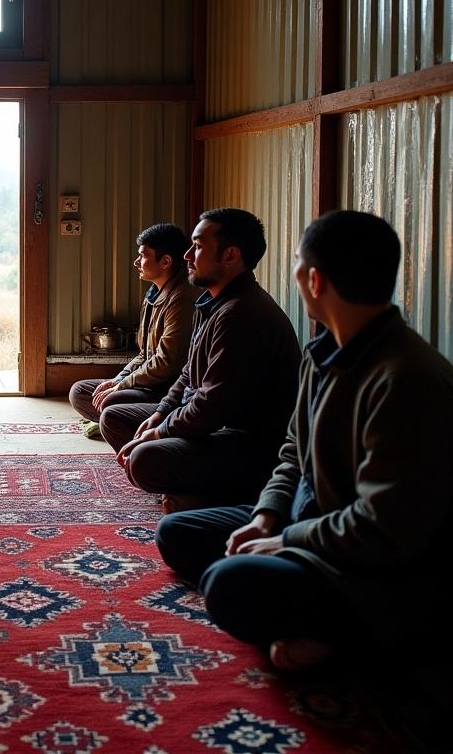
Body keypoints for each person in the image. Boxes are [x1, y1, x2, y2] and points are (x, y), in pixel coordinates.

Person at [155, 210, 453, 670]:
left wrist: (286, 539)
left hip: (364, 563)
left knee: (225, 582)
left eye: (296, 264)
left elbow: (382, 527)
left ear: (314, 280)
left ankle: (360, 641)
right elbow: (292, 452)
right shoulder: (324, 352)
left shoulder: (407, 377)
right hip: (306, 520)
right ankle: (303, 620)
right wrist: (266, 516)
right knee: (178, 533)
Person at [107, 208, 301, 510]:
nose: (187, 255)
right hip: (205, 423)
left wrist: (161, 431)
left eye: (197, 246)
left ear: (230, 256)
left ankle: (221, 496)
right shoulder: (214, 301)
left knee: (145, 459)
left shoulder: (241, 314)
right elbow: (187, 372)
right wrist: (161, 412)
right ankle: (190, 489)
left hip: (242, 442)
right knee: (115, 418)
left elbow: (212, 406)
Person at [69, 223, 198, 439]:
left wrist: (122, 386)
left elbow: (166, 363)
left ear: (165, 261)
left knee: (110, 403)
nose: (136, 262)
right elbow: (143, 354)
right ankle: (117, 419)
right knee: (80, 392)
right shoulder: (154, 293)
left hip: (166, 389)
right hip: (146, 382)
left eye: (143, 256)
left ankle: (122, 421)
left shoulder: (181, 299)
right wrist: (118, 379)